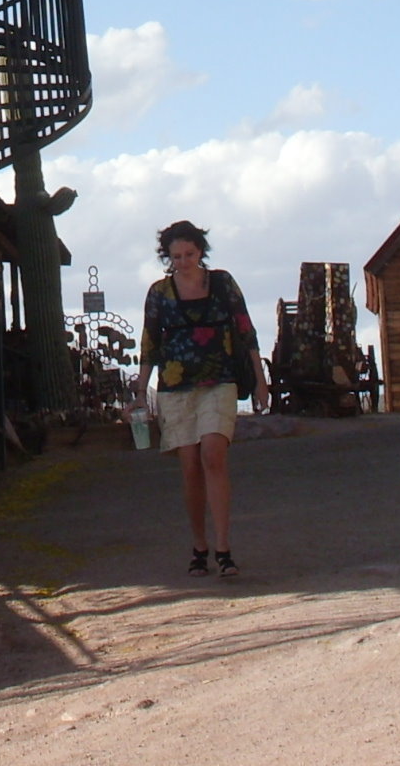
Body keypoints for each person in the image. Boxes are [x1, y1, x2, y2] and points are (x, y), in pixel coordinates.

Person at [134, 220, 265, 581]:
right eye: (176, 256)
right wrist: (140, 392)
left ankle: (223, 548)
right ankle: (199, 546)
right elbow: (149, 343)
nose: (183, 261)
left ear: (200, 252)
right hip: (175, 387)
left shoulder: (222, 283)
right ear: (167, 257)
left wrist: (260, 380)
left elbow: (246, 330)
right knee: (190, 466)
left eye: (189, 254)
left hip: (219, 380)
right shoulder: (159, 293)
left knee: (213, 454)